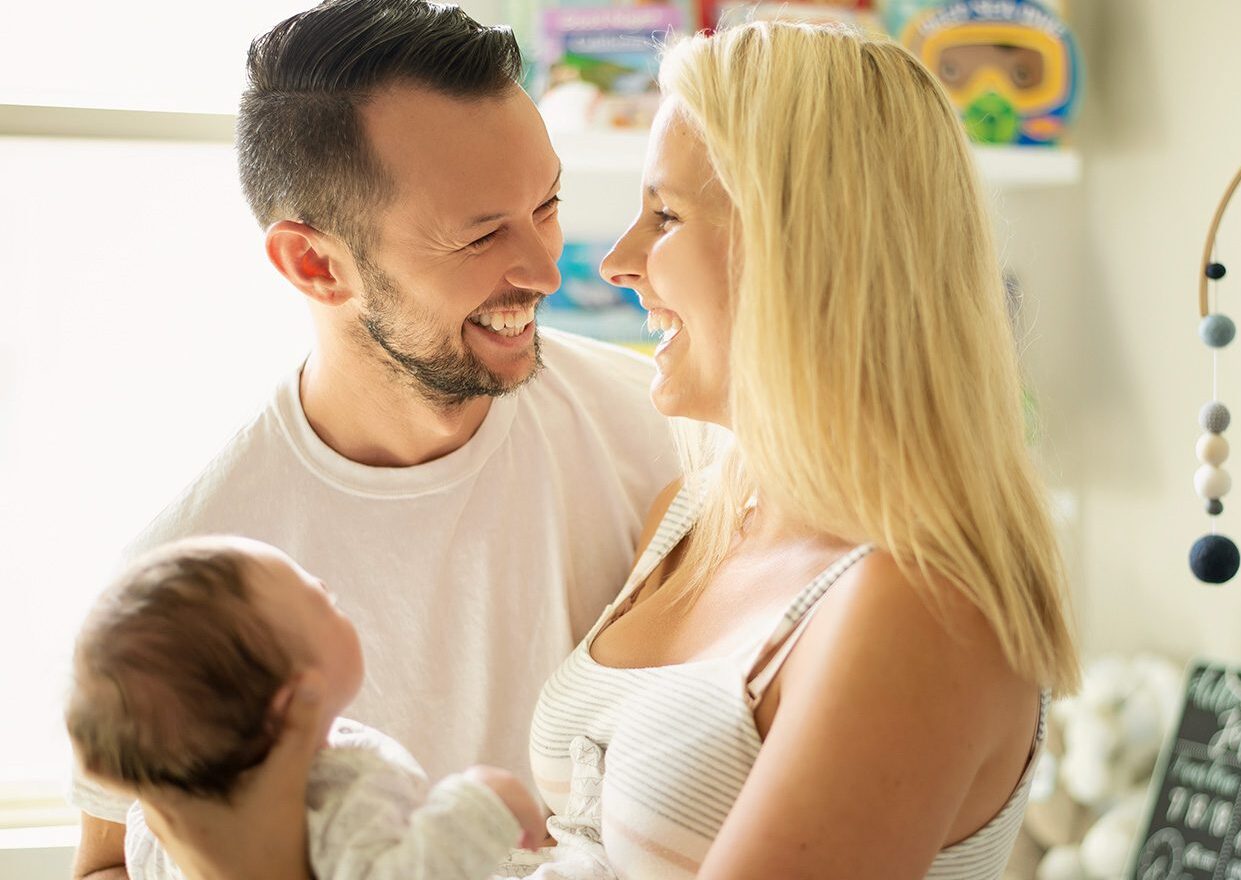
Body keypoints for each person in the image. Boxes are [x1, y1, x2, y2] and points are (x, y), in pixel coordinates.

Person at [147, 19, 1083, 880]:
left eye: (665, 216)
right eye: (480, 230)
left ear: (806, 253)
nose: (604, 262)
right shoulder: (696, 514)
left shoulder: (916, 604)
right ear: (314, 266)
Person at [69, 2, 678, 877]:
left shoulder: (663, 437)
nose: (546, 269)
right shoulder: (193, 579)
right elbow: (109, 863)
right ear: (315, 264)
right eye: (479, 234)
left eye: (545, 205)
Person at [68, 536, 549, 880]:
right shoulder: (339, 795)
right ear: (296, 700)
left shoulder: (154, 826)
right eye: (321, 601)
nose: (322, 582)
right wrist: (484, 800)